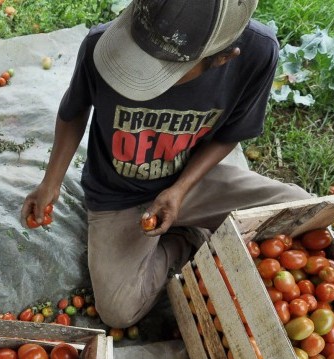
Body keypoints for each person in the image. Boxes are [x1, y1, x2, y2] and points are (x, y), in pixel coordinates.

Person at [21, 0, 310, 328]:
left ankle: (192, 222)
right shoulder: (101, 45)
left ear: (223, 58)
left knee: (300, 208)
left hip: (194, 181)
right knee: (118, 311)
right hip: (120, 195)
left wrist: (181, 189)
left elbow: (231, 134)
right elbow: (74, 110)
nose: (139, 71)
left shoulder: (257, 53)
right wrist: (51, 182)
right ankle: (186, 240)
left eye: (164, 70)